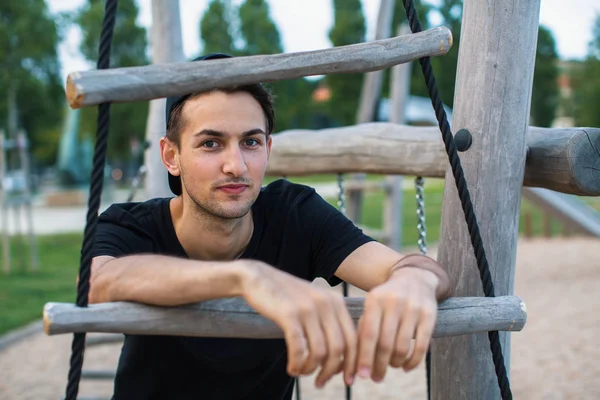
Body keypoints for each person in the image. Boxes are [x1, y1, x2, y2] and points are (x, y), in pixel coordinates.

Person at [89, 53, 452, 400]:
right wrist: (246, 278)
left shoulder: (294, 213)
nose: (236, 165)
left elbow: (408, 268)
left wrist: (413, 281)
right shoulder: (131, 226)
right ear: (171, 156)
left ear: (268, 148)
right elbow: (97, 280)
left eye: (250, 142)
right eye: (211, 143)